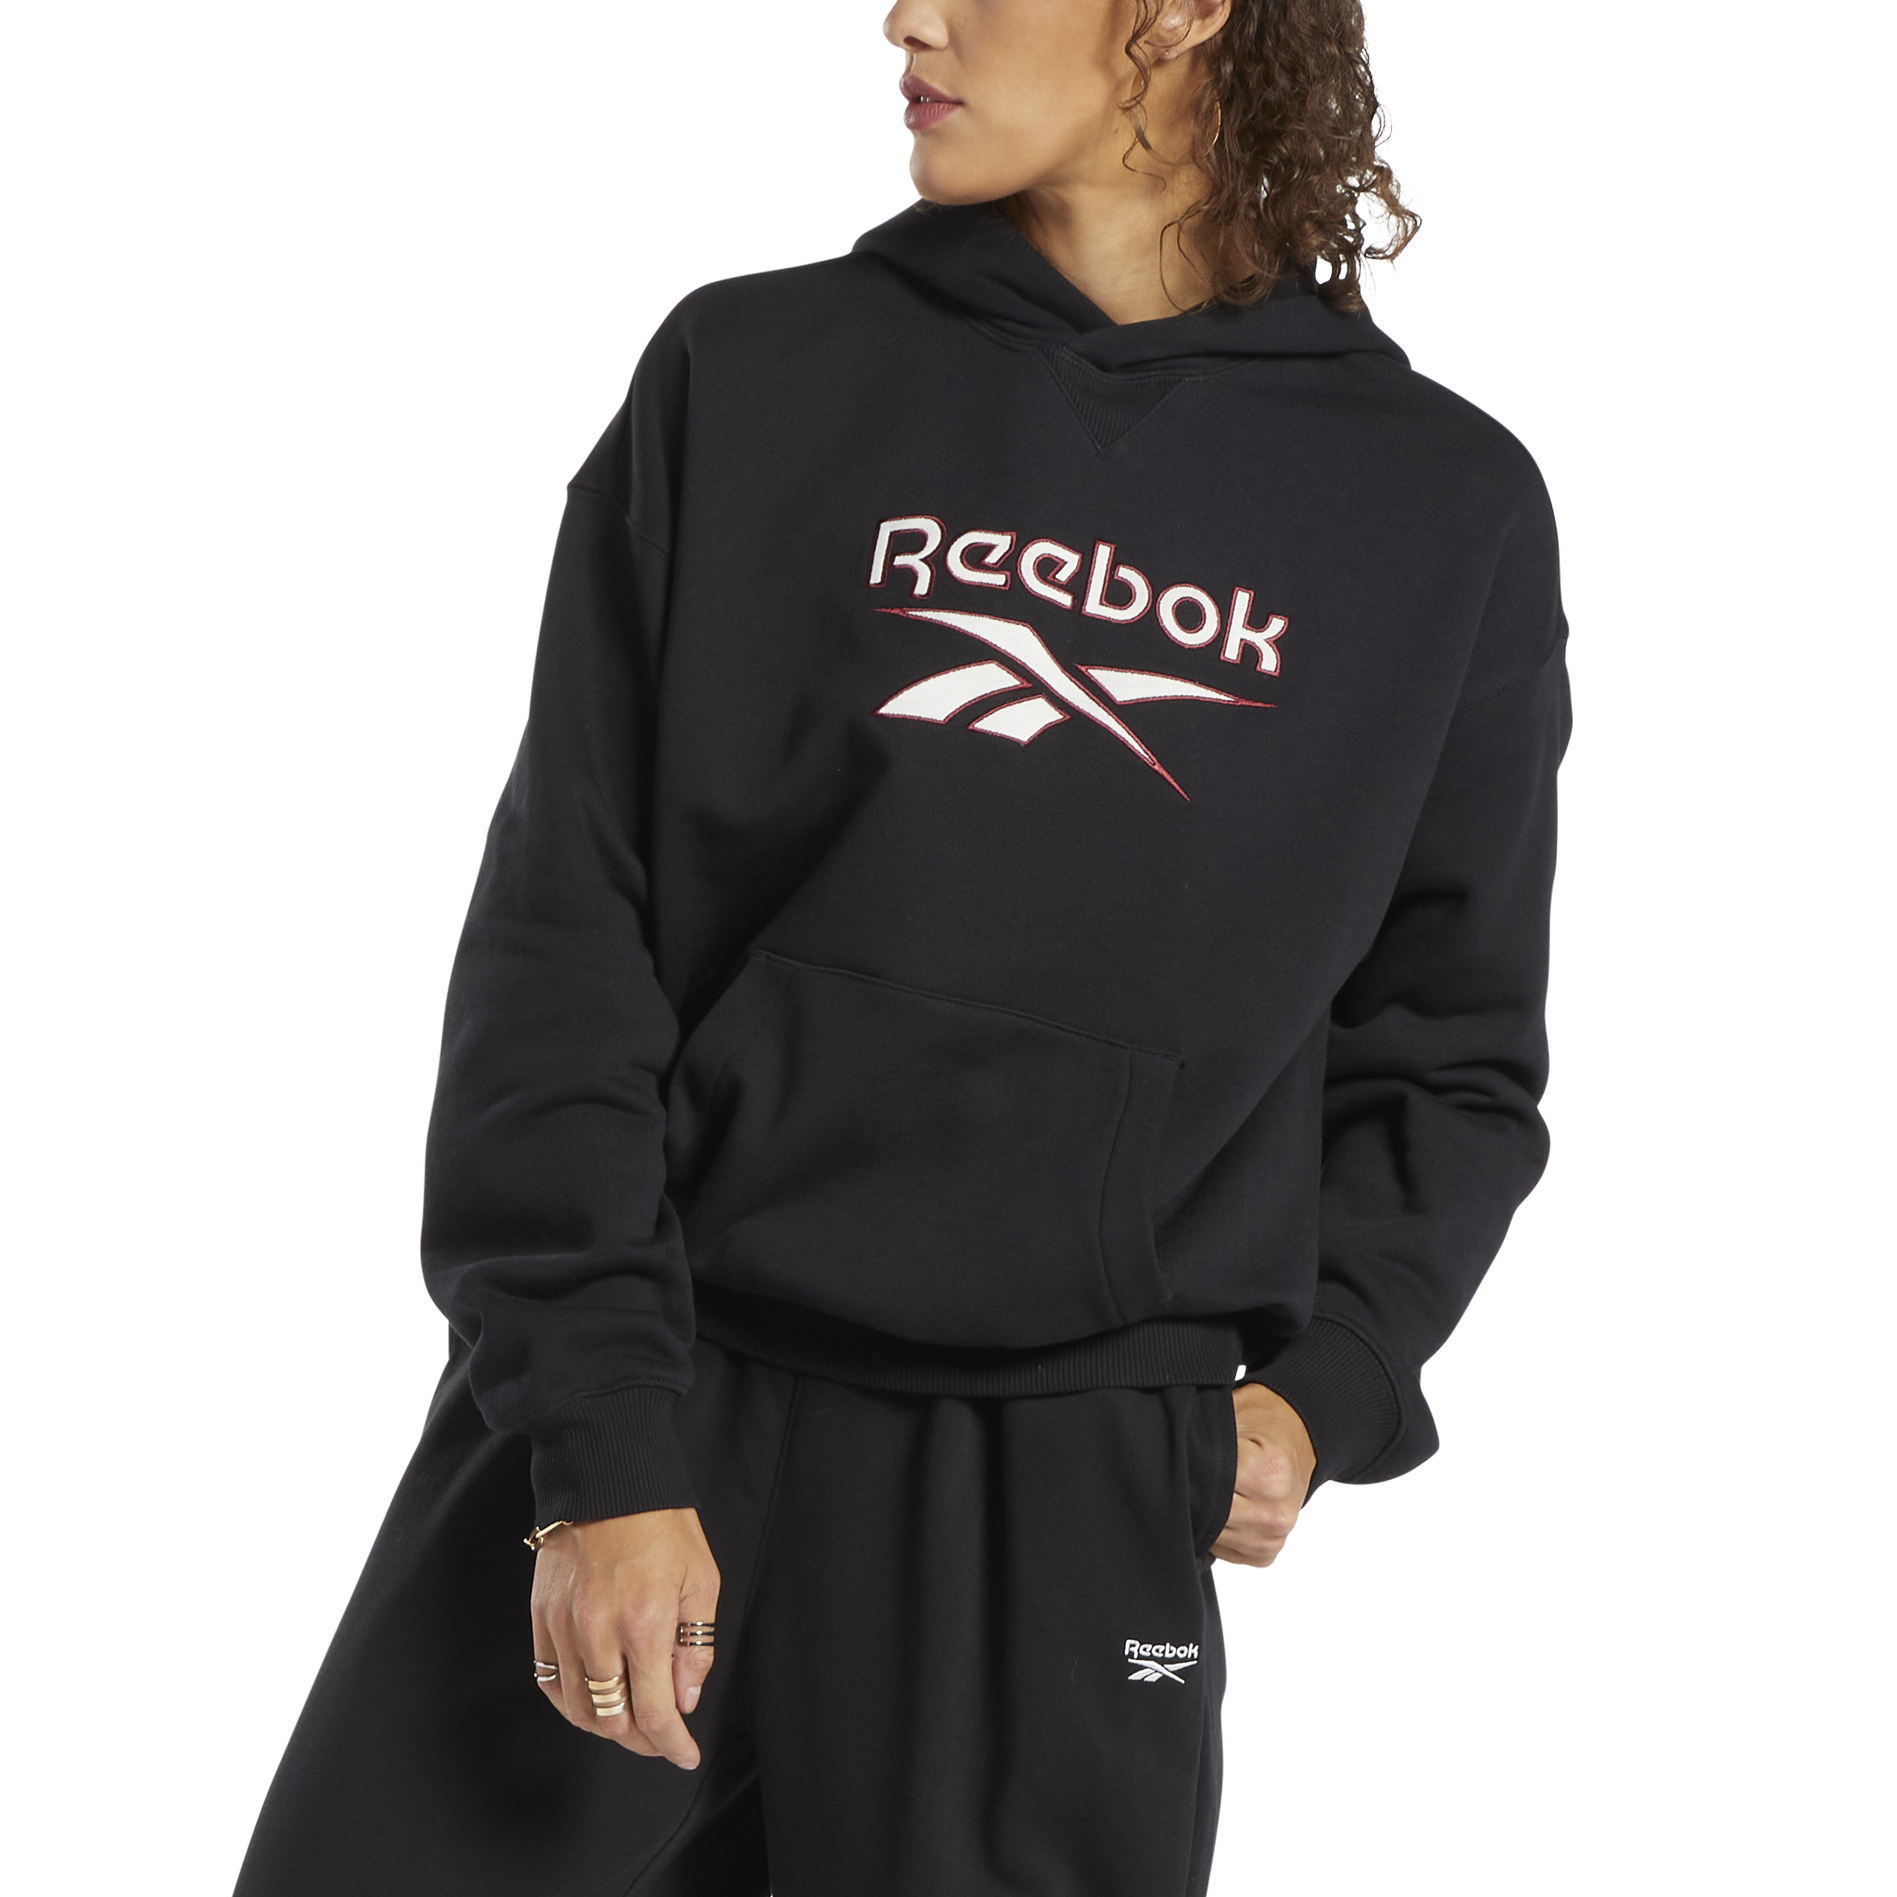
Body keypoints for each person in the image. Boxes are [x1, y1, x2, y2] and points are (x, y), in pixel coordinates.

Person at [236, 0, 1569, 1891]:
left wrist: (1327, 1381)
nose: (906, 14)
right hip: (663, 1398)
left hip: (1074, 1497)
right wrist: (603, 1444)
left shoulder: (1440, 508)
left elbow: (1455, 1046)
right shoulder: (753, 370)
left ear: (1185, 9)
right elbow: (565, 941)